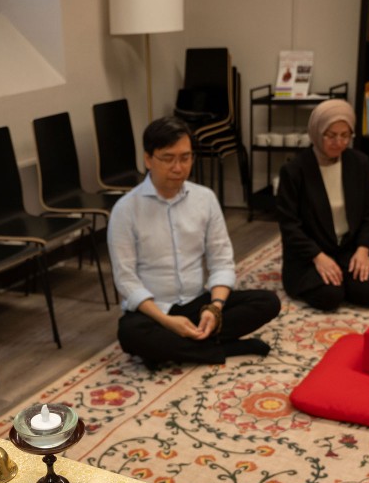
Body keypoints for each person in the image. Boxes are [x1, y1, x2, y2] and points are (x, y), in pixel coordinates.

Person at [108, 116, 281, 366]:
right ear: (148, 159)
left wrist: (215, 308)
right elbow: (126, 280)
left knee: (267, 302)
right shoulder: (126, 209)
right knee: (130, 334)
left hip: (197, 303)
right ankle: (225, 348)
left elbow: (221, 261)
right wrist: (168, 322)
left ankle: (173, 350)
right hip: (154, 311)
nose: (178, 167)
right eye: (168, 158)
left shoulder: (205, 199)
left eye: (185, 158)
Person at [276, 99, 369, 311]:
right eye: (331, 135)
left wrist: (362, 250)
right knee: (330, 296)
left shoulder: (359, 163)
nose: (339, 142)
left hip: (347, 249)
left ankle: (344, 277)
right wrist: (318, 257)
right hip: (309, 254)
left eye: (345, 135)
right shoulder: (295, 170)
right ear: (317, 133)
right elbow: (289, 225)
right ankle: (325, 279)